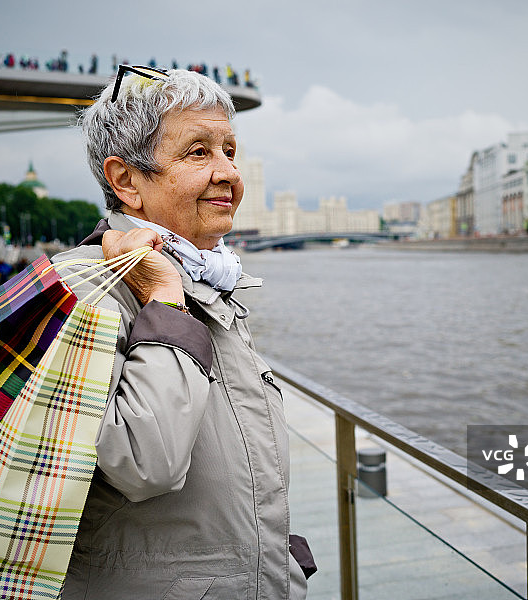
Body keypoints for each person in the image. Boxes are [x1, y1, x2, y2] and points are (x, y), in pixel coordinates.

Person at [52, 67, 314, 599]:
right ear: (126, 181)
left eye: (230, 151)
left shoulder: (206, 278)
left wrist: (277, 556)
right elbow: (144, 464)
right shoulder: (85, 289)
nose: (229, 173)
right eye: (199, 152)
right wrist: (164, 300)